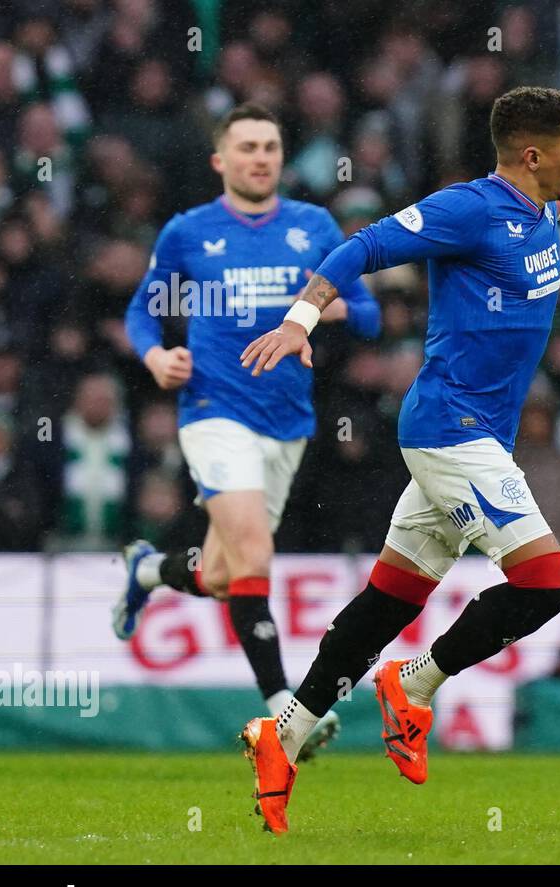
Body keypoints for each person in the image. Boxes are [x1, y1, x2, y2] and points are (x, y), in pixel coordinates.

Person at [235, 86, 560, 833]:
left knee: (390, 599)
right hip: (450, 430)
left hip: (472, 435)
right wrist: (298, 319)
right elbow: (365, 244)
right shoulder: (470, 210)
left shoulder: (549, 201)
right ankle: (413, 687)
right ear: (532, 154)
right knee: (546, 582)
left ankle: (282, 732)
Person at [115, 103, 380, 760]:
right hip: (213, 412)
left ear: (281, 159)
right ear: (221, 161)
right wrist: (156, 358)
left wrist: (312, 310)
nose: (260, 157)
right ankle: (286, 715)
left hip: (286, 424)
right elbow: (143, 313)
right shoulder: (187, 232)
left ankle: (149, 570)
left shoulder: (313, 227)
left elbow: (371, 315)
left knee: (227, 574)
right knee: (256, 557)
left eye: (270, 146)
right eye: (247, 147)